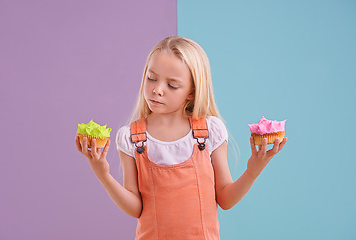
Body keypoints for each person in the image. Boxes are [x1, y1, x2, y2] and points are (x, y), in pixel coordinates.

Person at [75, 36, 287, 239]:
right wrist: (103, 174)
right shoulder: (131, 137)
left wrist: (254, 169)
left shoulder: (210, 131)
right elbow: (135, 208)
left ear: (192, 92)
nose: (157, 90)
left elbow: (225, 198)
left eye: (172, 85)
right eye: (151, 78)